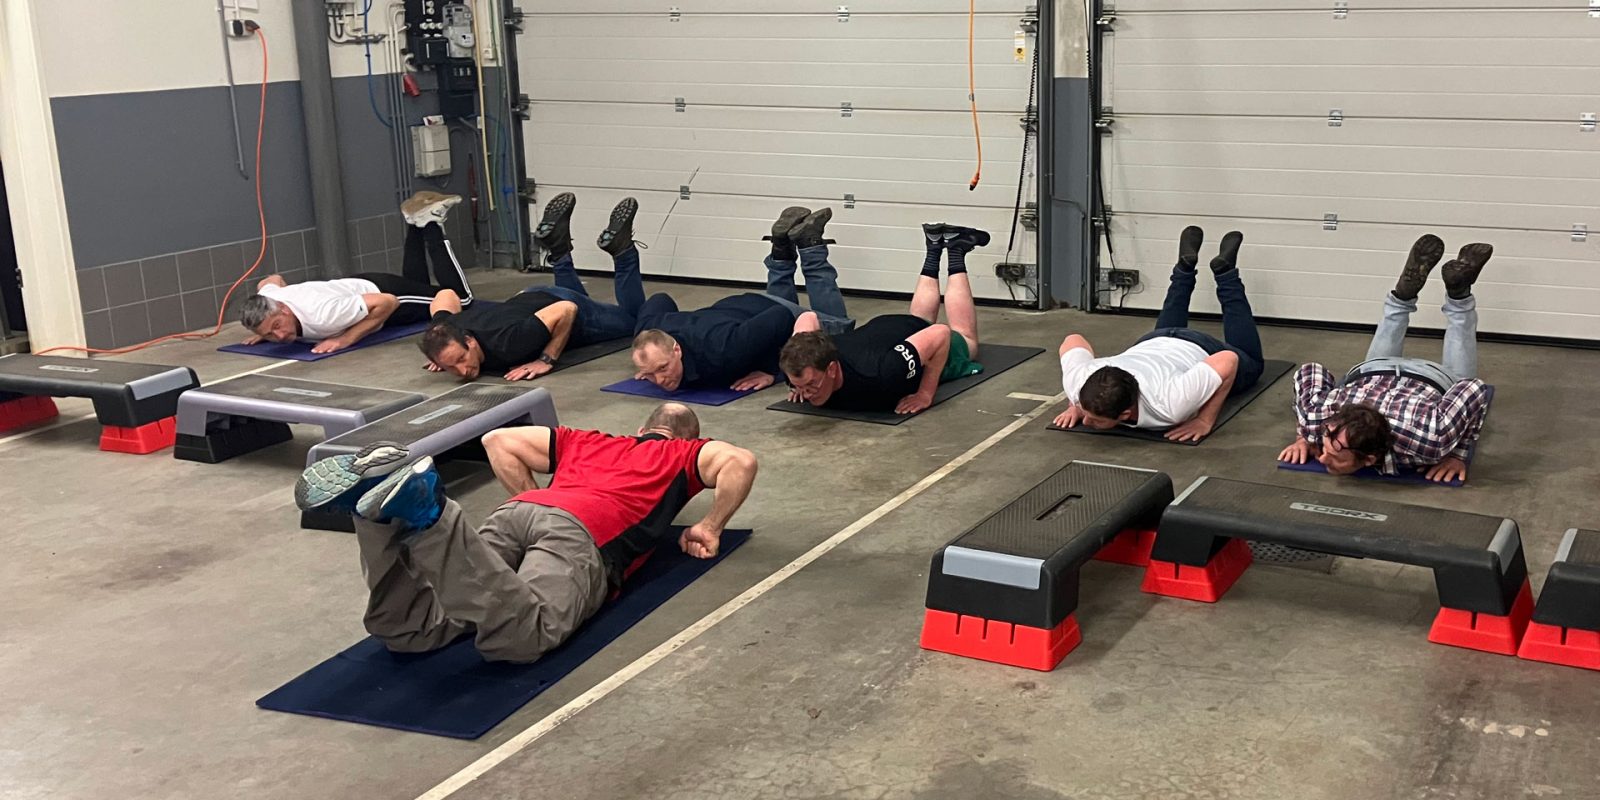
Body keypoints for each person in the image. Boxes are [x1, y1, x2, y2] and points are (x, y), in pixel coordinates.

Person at [292, 402, 759, 664]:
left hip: (519, 510)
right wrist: (708, 525)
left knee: (412, 628)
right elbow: (741, 461)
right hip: (583, 532)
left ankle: (375, 520)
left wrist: (533, 500)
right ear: (690, 438)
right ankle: (432, 514)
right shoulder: (681, 454)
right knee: (524, 636)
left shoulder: (591, 440)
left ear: (641, 429)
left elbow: (498, 440)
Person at [1280, 235, 1495, 483]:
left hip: (1428, 378)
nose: (1322, 457)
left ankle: (1449, 296)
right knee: (1446, 352)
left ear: (1369, 460)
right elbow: (1310, 370)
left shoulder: (1432, 439)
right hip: (1375, 370)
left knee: (1460, 375)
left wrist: (1456, 454)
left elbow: (1472, 388)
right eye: (1328, 447)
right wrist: (1306, 436)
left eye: (1333, 453)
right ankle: (1448, 293)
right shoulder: (1320, 419)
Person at [1053, 226, 1264, 442]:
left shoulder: (1169, 406)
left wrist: (1204, 420)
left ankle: (1226, 275)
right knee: (1164, 338)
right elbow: (1073, 340)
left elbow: (1228, 360)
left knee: (1252, 364)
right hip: (1155, 340)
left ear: (1125, 415)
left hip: (1199, 347)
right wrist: (1075, 404)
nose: (1087, 422)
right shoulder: (1078, 384)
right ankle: (1184, 268)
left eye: (1096, 420)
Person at [419, 193, 648, 380]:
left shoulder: (509, 343)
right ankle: (558, 249)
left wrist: (546, 359)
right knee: (574, 300)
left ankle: (623, 251)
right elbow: (446, 294)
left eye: (461, 359)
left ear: (469, 341)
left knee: (636, 322)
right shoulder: (446, 331)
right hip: (531, 296)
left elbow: (566, 309)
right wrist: (441, 356)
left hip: (566, 311)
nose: (462, 371)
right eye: (451, 367)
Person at [630, 206, 854, 393]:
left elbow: (781, 316)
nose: (659, 380)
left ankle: (810, 244)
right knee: (765, 330)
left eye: (662, 368)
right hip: (739, 308)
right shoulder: (648, 330)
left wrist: (772, 371)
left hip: (771, 315)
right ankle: (781, 246)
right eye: (650, 374)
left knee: (836, 335)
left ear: (676, 350)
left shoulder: (724, 352)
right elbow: (660, 300)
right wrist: (650, 365)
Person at [778, 222, 989, 414]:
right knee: (919, 321)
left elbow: (940, 332)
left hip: (899, 339)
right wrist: (800, 385)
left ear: (832, 369)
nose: (805, 394)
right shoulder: (796, 365)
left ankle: (955, 250)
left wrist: (925, 393)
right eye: (798, 386)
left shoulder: (884, 372)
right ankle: (934, 246)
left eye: (811, 385)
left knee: (967, 341)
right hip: (887, 329)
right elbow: (808, 317)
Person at [239, 192, 473, 354]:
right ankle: (415, 221)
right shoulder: (269, 299)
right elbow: (271, 280)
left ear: (284, 308)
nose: (279, 337)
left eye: (277, 325)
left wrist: (345, 339)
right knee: (416, 283)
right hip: (356, 287)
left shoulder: (323, 316)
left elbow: (388, 302)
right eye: (271, 335)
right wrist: (265, 330)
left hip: (384, 296)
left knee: (459, 300)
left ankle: (431, 225)